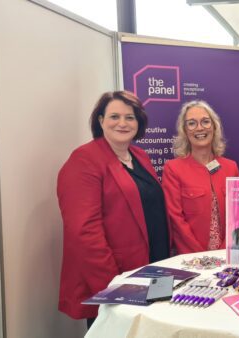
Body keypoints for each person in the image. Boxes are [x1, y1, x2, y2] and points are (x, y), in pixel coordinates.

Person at [57, 91, 171, 327]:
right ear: (100, 121)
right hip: (117, 277)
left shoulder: (139, 155)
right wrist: (114, 285)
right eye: (114, 116)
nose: (122, 123)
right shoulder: (84, 160)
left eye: (130, 117)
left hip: (153, 269)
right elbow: (83, 232)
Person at [163, 100, 239, 254]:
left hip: (226, 255)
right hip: (191, 257)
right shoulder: (173, 169)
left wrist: (224, 250)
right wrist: (200, 255)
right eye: (192, 123)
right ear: (184, 130)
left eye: (205, 121)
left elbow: (237, 214)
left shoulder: (231, 167)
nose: (200, 128)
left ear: (214, 127)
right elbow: (175, 219)